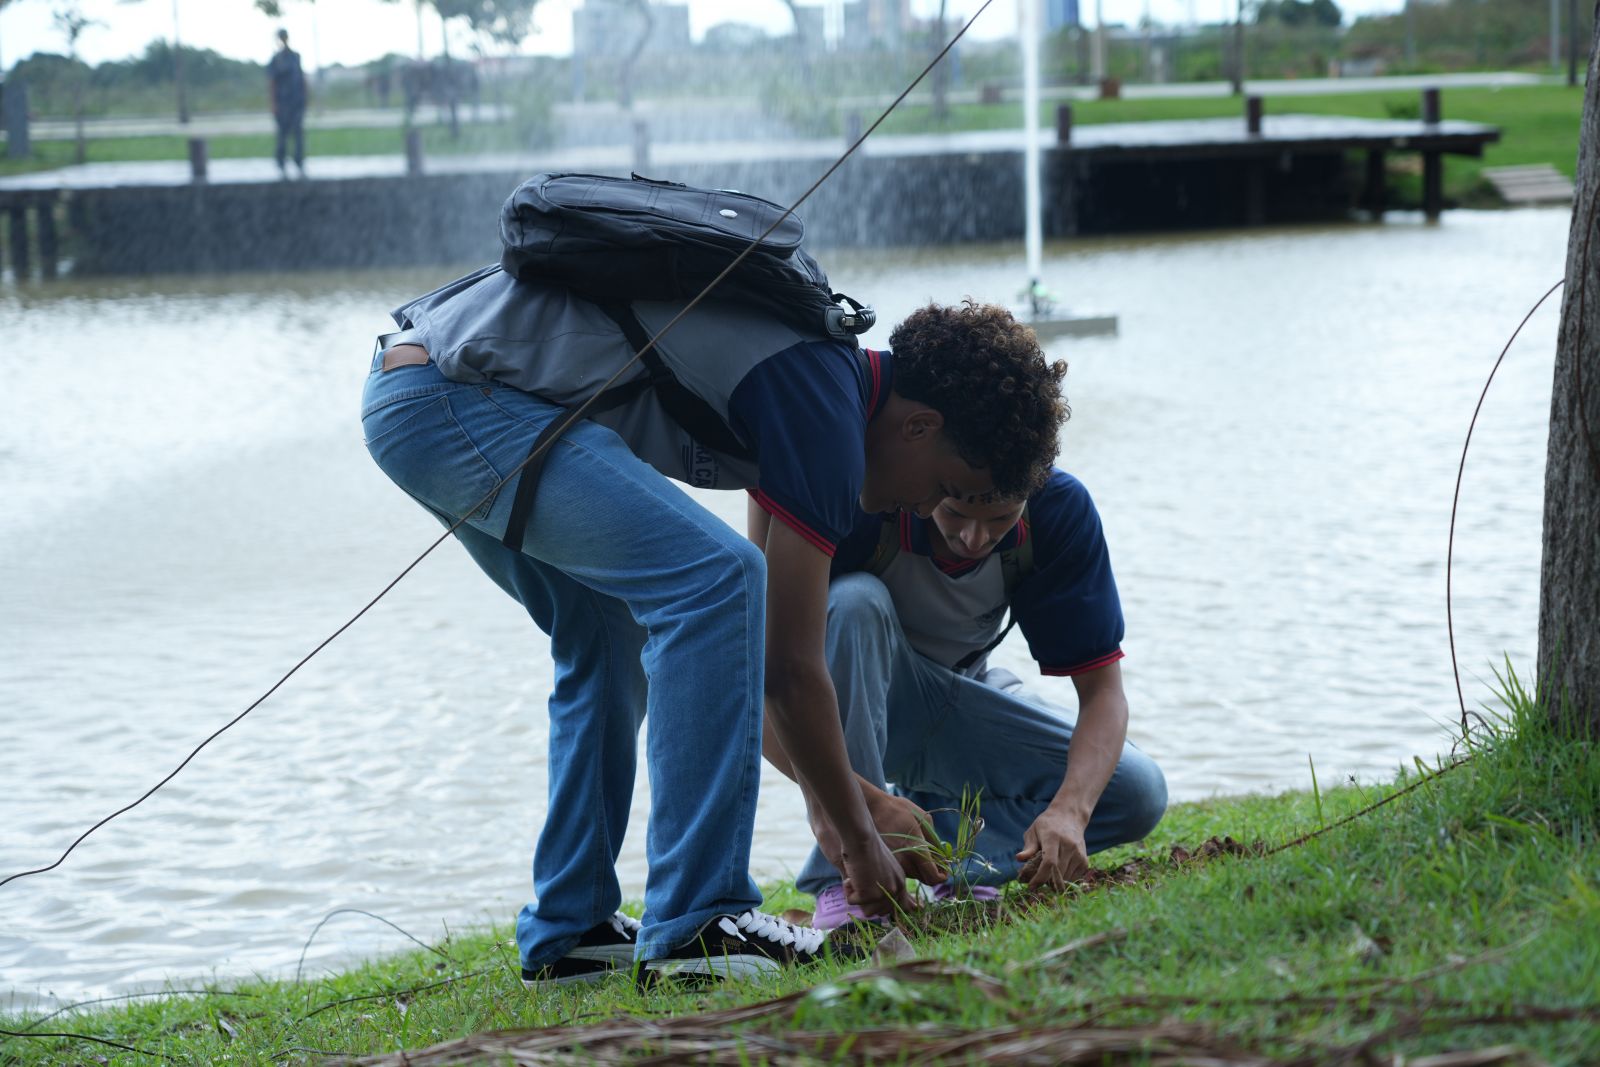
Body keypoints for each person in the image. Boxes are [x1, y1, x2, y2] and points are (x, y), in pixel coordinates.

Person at [361, 263, 1069, 983]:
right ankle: (700, 920)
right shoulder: (825, 406)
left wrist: (854, 805)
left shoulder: (819, 389)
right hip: (455, 396)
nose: (925, 509)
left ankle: (573, 926)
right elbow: (788, 668)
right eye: (944, 487)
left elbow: (754, 661)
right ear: (920, 426)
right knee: (719, 578)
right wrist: (859, 833)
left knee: (611, 632)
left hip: (418, 390)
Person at [764, 468, 1168, 929]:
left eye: (1000, 519)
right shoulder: (870, 497)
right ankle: (846, 879)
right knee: (856, 601)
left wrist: (1069, 812)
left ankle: (947, 861)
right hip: (852, 711)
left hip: (960, 699)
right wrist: (865, 805)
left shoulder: (1057, 509)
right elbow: (761, 691)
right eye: (955, 513)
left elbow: (1103, 694)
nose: (975, 539)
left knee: (1136, 792)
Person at [267, 29, 307, 178]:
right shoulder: (276, 59)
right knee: (282, 135)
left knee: (298, 133)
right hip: (283, 102)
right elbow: (272, 82)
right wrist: (273, 103)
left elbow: (301, 77)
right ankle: (281, 162)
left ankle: (299, 161)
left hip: (296, 101)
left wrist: (305, 97)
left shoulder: (295, 57)